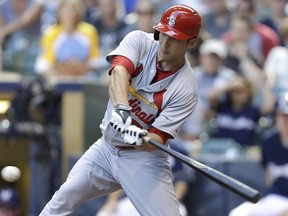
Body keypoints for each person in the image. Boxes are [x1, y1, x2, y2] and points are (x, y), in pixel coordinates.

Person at [39, 4, 201, 216]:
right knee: (62, 199)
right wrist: (123, 111)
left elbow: (158, 139)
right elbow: (119, 73)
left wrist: (138, 138)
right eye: (163, 34)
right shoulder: (139, 40)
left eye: (175, 38)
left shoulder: (186, 88)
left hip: (142, 161)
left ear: (191, 42)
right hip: (106, 149)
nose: (165, 42)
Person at [228, 91, 288, 216]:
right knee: (238, 214)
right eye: (281, 115)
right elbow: (269, 177)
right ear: (275, 116)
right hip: (275, 198)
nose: (285, 120)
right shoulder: (269, 142)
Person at [95, 141, 194, 216]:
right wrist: (112, 201)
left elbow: (182, 180)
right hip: (135, 200)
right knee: (104, 214)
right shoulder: (132, 146)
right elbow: (121, 177)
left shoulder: (177, 148)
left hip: (165, 199)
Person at [34, 0, 100, 78]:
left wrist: (81, 67)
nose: (68, 14)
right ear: (59, 12)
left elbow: (95, 60)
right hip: (58, 76)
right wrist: (58, 73)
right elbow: (44, 63)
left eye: (72, 10)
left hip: (85, 76)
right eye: (65, 10)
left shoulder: (89, 31)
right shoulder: (50, 33)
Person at [206, 74, 275, 148]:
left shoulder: (252, 111)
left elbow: (269, 106)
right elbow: (210, 96)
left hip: (244, 154)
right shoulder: (223, 108)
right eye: (236, 91)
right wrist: (230, 85)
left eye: (243, 91)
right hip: (222, 152)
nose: (240, 94)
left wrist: (263, 84)